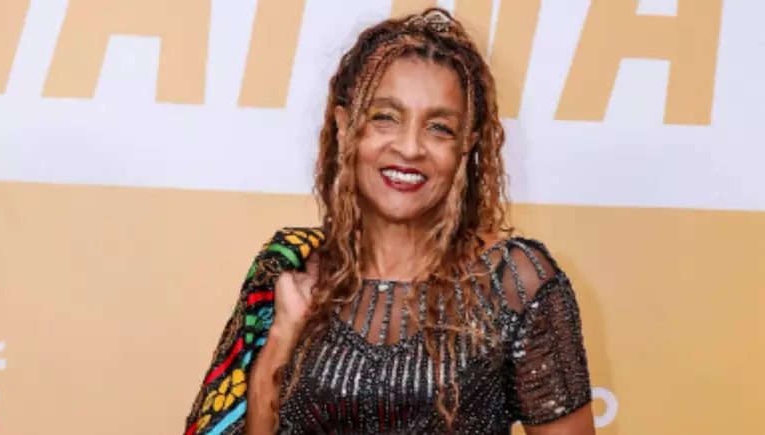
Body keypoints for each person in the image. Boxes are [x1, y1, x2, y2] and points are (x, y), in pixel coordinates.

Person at [184, 7, 595, 435]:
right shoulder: (289, 269)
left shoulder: (514, 281)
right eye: (385, 117)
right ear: (345, 127)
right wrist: (281, 340)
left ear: (466, 146)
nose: (410, 147)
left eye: (440, 128)